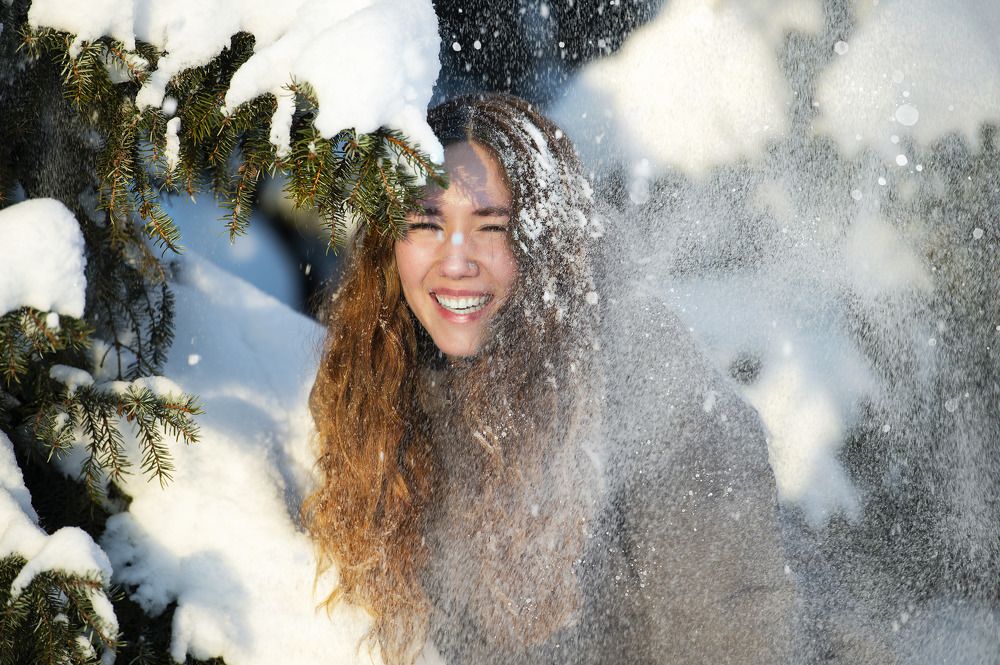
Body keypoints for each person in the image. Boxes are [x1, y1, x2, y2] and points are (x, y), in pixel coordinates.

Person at [303, 93, 795, 665]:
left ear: (541, 245)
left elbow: (737, 644)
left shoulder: (660, 403)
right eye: (426, 224)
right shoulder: (375, 383)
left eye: (491, 227)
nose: (456, 261)